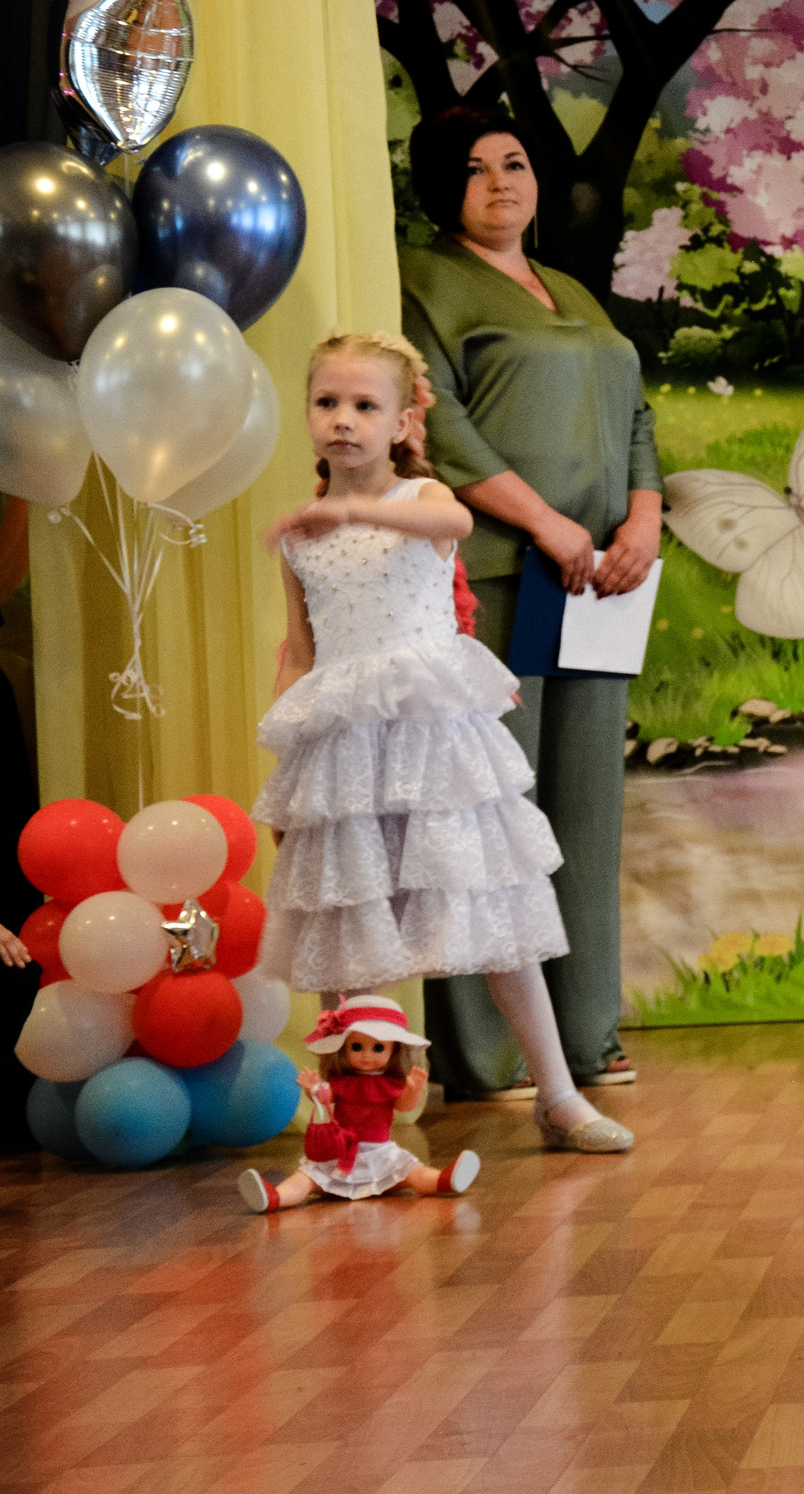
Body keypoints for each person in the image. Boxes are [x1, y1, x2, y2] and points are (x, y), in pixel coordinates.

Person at [254, 331, 626, 1152]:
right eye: (326, 402)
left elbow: (453, 517)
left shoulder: (422, 498)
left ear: (400, 423)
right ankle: (355, 1118)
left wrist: (352, 508)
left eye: (364, 405)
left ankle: (558, 1093)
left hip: (433, 746)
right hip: (347, 748)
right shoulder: (302, 536)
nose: (342, 419)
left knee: (495, 913)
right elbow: (303, 652)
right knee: (347, 926)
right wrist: (292, 764)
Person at [403, 108, 659, 1124]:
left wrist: (644, 517)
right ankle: (484, 1051)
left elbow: (636, 414)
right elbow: (441, 428)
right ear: (441, 188)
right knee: (490, 812)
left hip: (597, 584)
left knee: (585, 812)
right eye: (474, 170)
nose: (501, 182)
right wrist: (547, 522)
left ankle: (587, 1033)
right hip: (499, 575)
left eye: (513, 163)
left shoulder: (575, 292)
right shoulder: (422, 283)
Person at [239, 995, 480, 1211]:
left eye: (378, 1048)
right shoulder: (343, 1082)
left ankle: (444, 1181)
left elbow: (404, 1106)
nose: (366, 1055)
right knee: (306, 1179)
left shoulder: (389, 1084)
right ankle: (275, 1197)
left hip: (381, 1156)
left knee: (414, 1174)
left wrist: (413, 1091)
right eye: (357, 1047)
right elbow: (325, 1098)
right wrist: (313, 1089)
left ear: (394, 1051)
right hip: (340, 1153)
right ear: (343, 1049)